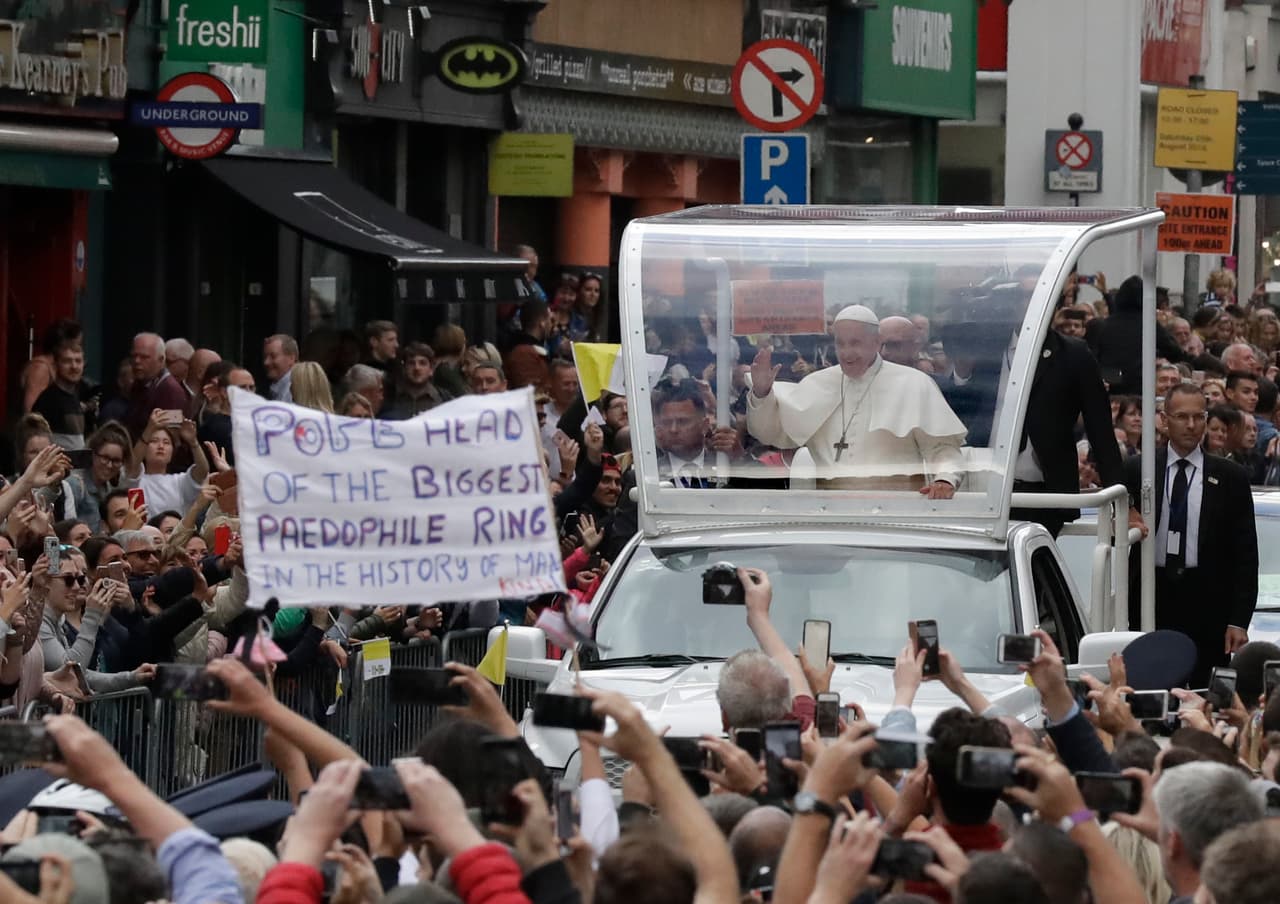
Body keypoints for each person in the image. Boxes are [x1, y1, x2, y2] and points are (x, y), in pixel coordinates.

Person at [746, 305, 966, 496]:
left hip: (898, 510)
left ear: (877, 342)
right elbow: (769, 433)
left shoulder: (914, 384)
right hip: (832, 513)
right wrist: (762, 393)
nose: (846, 352)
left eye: (855, 343)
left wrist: (945, 478)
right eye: (840, 344)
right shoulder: (818, 383)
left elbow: (942, 448)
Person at [1125, 383, 1258, 683]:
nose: (1191, 425)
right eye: (1182, 416)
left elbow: (1246, 554)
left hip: (1209, 604)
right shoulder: (1139, 470)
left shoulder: (1230, 477)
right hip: (1152, 595)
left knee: (1206, 693)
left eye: (1198, 417)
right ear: (1163, 419)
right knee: (1150, 689)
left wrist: (1239, 620)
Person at [125, 333, 189, 440]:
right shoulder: (139, 384)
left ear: (161, 360)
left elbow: (171, 437)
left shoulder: (172, 391)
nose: (137, 361)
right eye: (134, 356)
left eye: (144, 357)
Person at [384, 343, 452, 418]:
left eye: (422, 363)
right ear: (404, 369)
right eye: (411, 363)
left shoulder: (444, 399)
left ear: (431, 370)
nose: (417, 368)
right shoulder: (389, 397)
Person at [503, 298, 553, 390]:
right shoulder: (523, 353)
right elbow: (530, 391)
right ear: (542, 322)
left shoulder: (529, 349)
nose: (551, 324)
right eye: (550, 320)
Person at [263, 334, 299, 403]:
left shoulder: (295, 389)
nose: (266, 362)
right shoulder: (281, 387)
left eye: (273, 356)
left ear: (291, 358)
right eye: (265, 357)